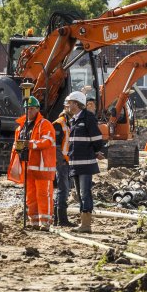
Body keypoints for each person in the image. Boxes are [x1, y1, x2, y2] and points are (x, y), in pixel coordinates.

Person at [7, 96, 56, 230]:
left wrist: (30, 144)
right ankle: (34, 221)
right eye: (27, 109)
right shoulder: (21, 127)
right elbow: (16, 145)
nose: (29, 111)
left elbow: (47, 141)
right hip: (27, 167)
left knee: (43, 195)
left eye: (32, 108)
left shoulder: (45, 124)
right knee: (31, 196)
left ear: (38, 109)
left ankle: (45, 222)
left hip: (42, 167)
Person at [65, 90, 105, 233]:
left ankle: (86, 225)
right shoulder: (74, 119)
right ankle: (83, 223)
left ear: (76, 103)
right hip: (76, 163)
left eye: (70, 103)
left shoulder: (88, 117)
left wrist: (94, 152)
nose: (68, 105)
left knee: (85, 193)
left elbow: (97, 139)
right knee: (79, 193)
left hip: (86, 164)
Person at [52, 110, 72, 227]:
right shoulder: (59, 124)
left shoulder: (67, 123)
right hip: (61, 162)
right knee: (63, 190)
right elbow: (55, 145)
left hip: (64, 160)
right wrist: (61, 161)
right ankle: (61, 219)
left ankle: (57, 218)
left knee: (63, 190)